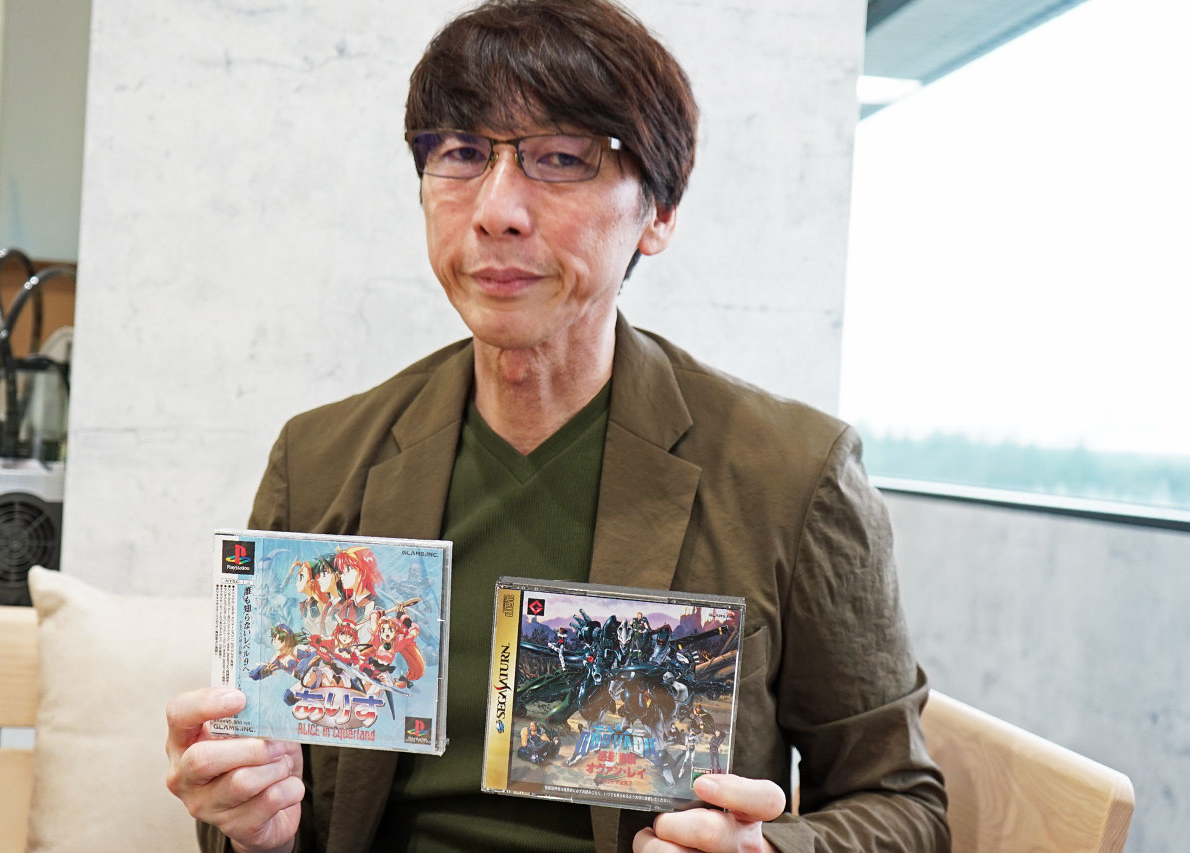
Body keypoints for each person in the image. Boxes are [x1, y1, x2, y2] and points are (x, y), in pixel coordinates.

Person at [165, 1, 949, 851]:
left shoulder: (792, 474)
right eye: (462, 154)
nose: (497, 209)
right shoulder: (321, 458)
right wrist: (249, 823)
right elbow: (257, 803)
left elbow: (902, 803)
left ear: (659, 211)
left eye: (563, 159)